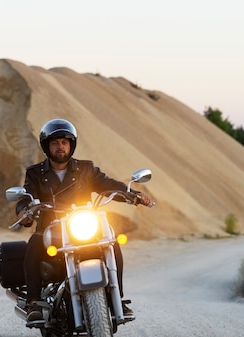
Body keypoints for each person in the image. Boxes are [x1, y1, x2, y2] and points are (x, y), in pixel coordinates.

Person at [16, 118, 153, 325]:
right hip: (50, 229)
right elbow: (26, 196)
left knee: (112, 243)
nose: (60, 146)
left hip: (81, 225)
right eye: (55, 143)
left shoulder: (86, 169)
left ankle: (118, 298)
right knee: (34, 244)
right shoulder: (35, 173)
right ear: (47, 146)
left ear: (71, 145)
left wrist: (132, 194)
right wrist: (24, 212)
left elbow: (108, 184)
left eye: (64, 142)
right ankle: (34, 302)